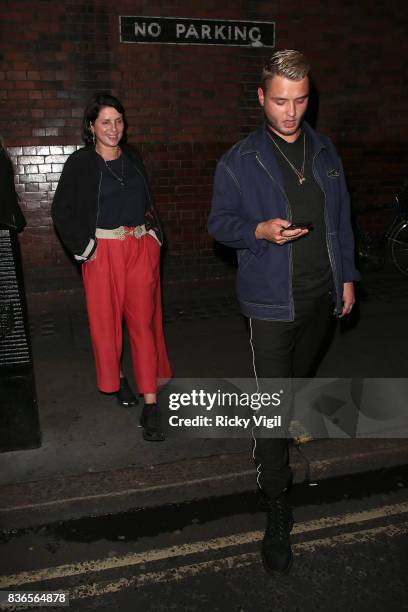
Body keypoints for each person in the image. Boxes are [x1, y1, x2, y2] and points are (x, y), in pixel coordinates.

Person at [208, 50, 359, 574]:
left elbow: (340, 220)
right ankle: (276, 502)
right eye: (280, 101)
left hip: (321, 295)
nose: (291, 112)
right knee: (274, 402)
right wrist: (258, 231)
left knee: (295, 381)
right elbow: (219, 224)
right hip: (271, 301)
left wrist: (346, 277)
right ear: (261, 98)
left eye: (299, 101)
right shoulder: (239, 160)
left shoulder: (326, 151)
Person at [52, 92, 172, 442]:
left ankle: (150, 403)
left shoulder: (132, 157)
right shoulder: (81, 162)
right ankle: (118, 377)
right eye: (105, 122)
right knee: (108, 324)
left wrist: (154, 235)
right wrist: (85, 247)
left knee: (143, 324)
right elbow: (62, 211)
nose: (113, 128)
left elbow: (146, 200)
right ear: (91, 127)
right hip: (102, 251)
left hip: (140, 249)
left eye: (118, 121)